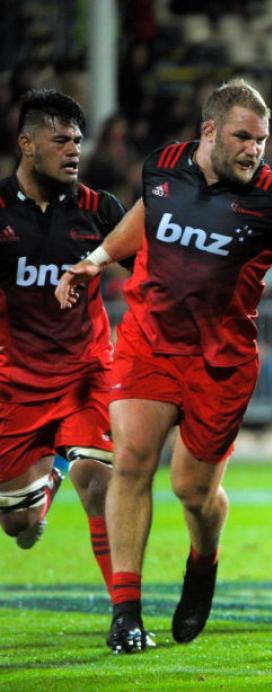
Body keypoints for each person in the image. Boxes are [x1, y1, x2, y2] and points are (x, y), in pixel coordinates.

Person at [55, 78, 272, 655]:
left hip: (220, 361)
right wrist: (95, 259)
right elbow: (147, 213)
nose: (254, 150)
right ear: (210, 131)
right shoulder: (163, 165)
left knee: (192, 490)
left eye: (261, 140)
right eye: (243, 137)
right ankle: (125, 613)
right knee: (132, 463)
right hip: (149, 342)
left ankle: (204, 557)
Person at [0, 89, 117, 592]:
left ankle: (126, 613)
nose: (74, 150)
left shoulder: (99, 209)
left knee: (100, 483)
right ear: (27, 144)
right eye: (60, 140)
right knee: (18, 524)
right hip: (16, 381)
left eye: (78, 141)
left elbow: (153, 272)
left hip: (87, 370)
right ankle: (48, 481)